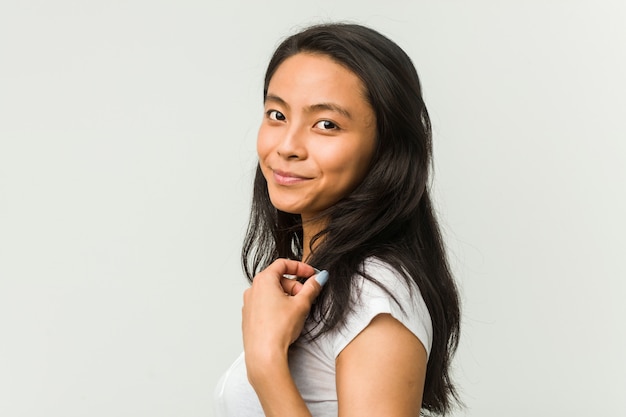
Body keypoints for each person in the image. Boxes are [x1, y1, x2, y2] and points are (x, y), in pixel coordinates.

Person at [214, 22, 461, 416]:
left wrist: (266, 364)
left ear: (386, 149)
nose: (288, 146)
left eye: (326, 124)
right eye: (277, 114)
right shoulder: (326, 281)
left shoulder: (376, 296)